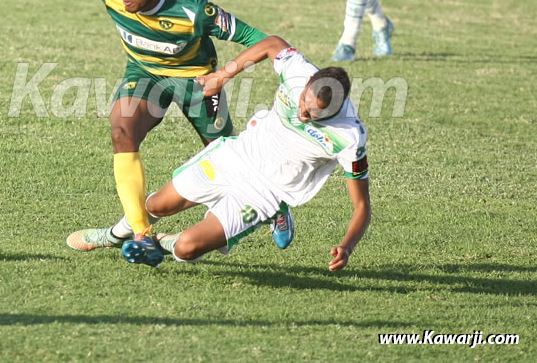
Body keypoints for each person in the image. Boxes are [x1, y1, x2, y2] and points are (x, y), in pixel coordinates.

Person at [0, 0, 293, 264]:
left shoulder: (194, 11)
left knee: (227, 155)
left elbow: (259, 40)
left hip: (196, 80)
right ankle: (142, 235)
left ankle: (275, 206)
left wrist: (225, 75)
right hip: (145, 74)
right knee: (122, 130)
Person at [119, 35, 370, 270]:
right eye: (304, 100)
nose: (302, 112)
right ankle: (117, 234)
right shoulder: (299, 72)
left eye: (314, 114)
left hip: (266, 191)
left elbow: (362, 206)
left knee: (187, 249)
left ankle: (160, 245)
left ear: (336, 110)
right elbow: (272, 43)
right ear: (308, 85)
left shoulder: (349, 137)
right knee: (157, 206)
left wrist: (347, 246)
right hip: (236, 156)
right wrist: (222, 75)